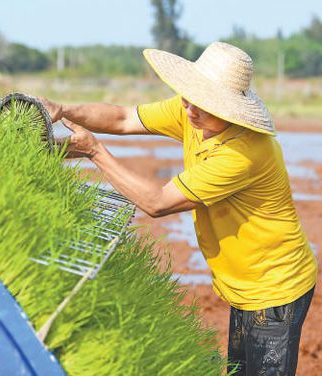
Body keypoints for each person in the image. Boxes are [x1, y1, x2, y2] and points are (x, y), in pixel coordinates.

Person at [39, 42, 317, 375]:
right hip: (242, 283)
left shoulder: (242, 154)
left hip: (275, 287)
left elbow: (157, 203)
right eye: (187, 97)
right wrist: (62, 110)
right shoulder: (195, 113)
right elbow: (123, 118)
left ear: (228, 110)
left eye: (201, 104)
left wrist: (94, 152)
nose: (188, 110)